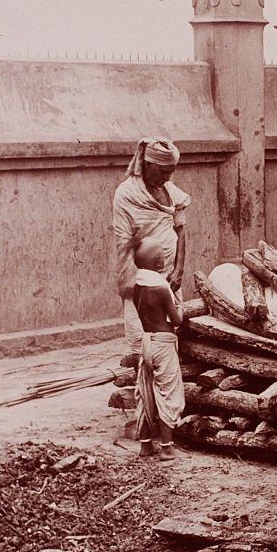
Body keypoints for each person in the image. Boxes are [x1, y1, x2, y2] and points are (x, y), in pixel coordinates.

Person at [112, 138, 190, 368]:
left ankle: (166, 367)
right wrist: (137, 280)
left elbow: (181, 229)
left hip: (170, 274)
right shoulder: (127, 194)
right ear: (147, 165)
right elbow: (124, 241)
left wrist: (179, 268)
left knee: (170, 331)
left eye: (171, 171)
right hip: (142, 276)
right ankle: (144, 367)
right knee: (142, 331)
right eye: (163, 171)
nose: (168, 177)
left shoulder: (171, 191)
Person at [132, 237, 185, 461]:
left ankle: (145, 446)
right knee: (168, 393)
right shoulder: (161, 288)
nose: (164, 258)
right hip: (163, 343)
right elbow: (176, 320)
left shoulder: (137, 287)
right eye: (162, 256)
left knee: (145, 392)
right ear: (157, 263)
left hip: (147, 342)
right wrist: (181, 307)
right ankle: (166, 448)